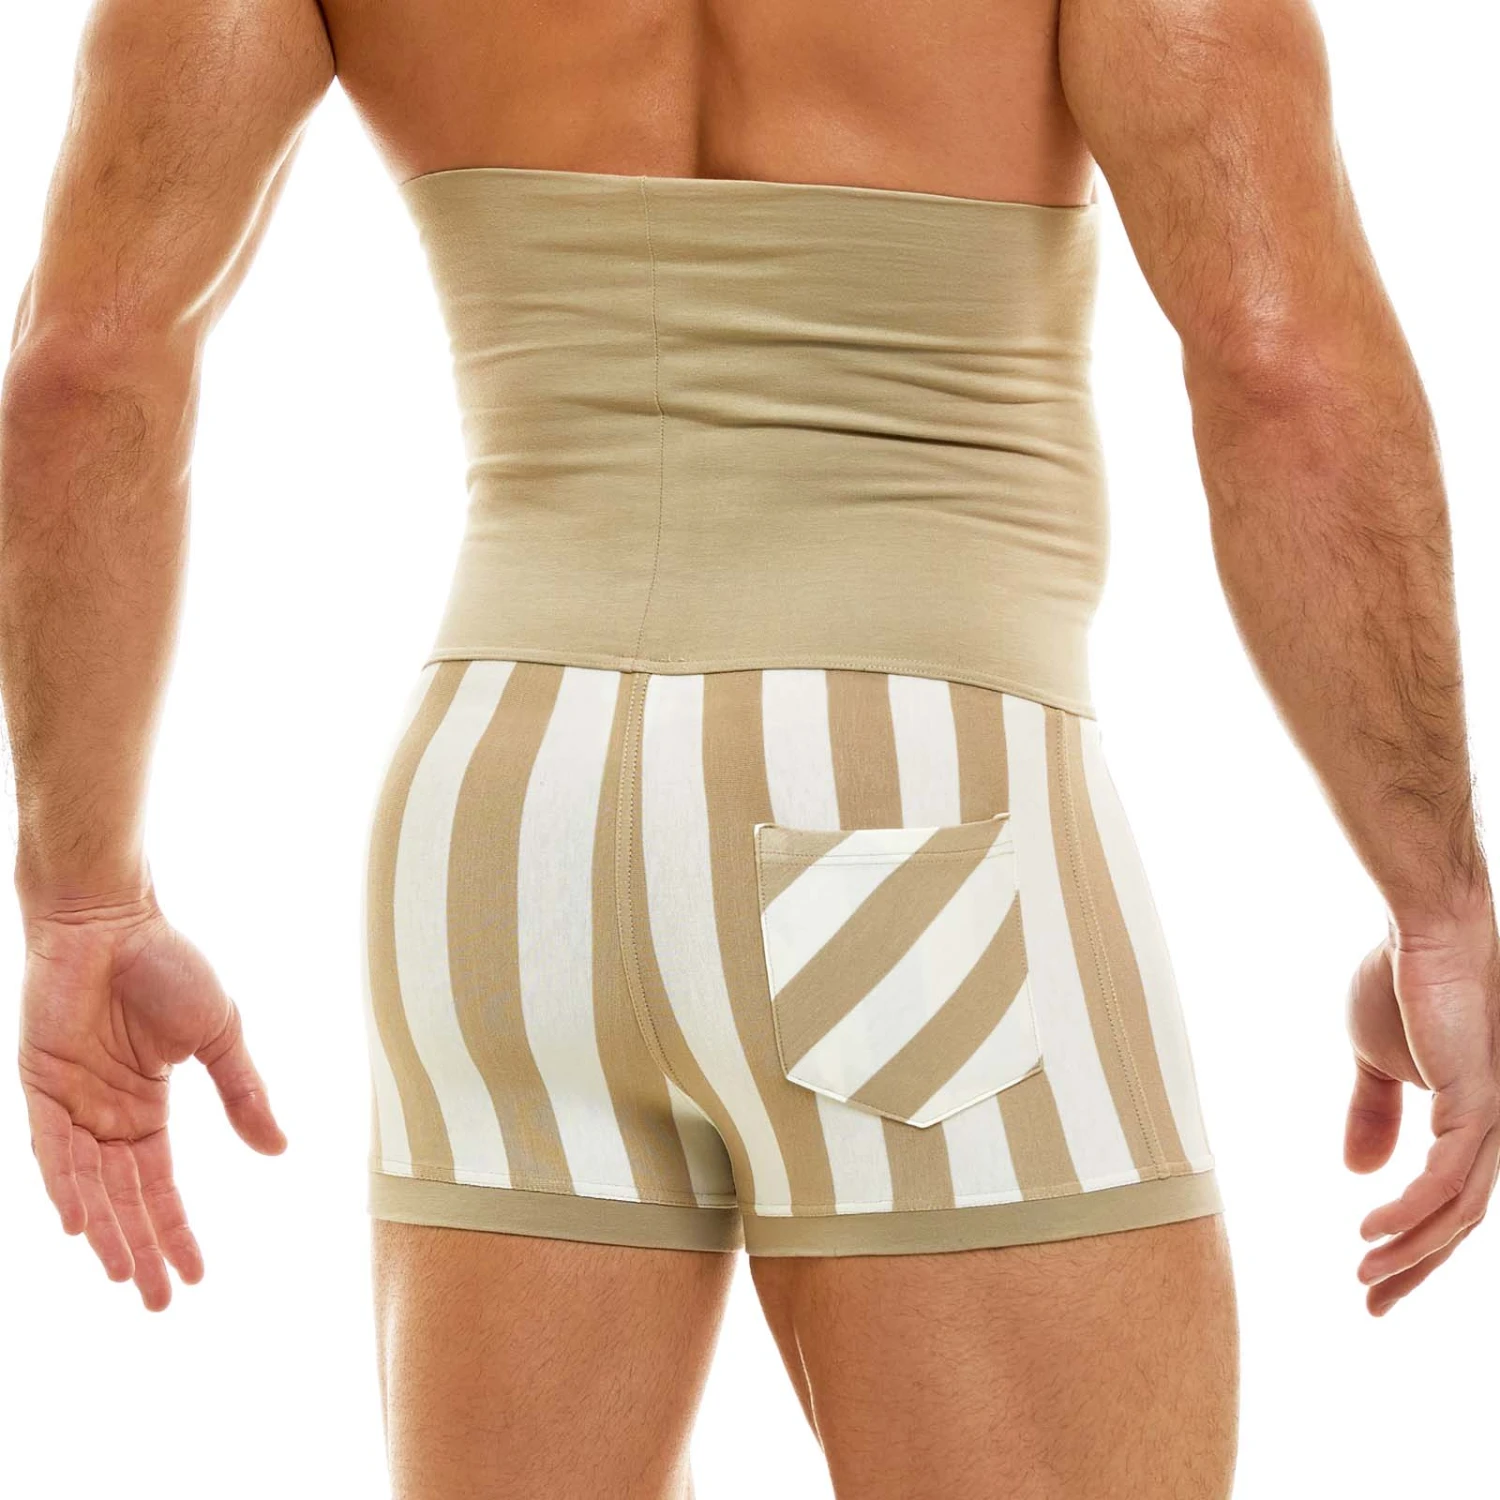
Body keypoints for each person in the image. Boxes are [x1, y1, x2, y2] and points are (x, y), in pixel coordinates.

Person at [1, 0, 1494, 1495]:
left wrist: (80, 900)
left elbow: (86, 361)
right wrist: (1435, 907)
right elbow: (1281, 365)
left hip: (503, 817)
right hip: (912, 804)